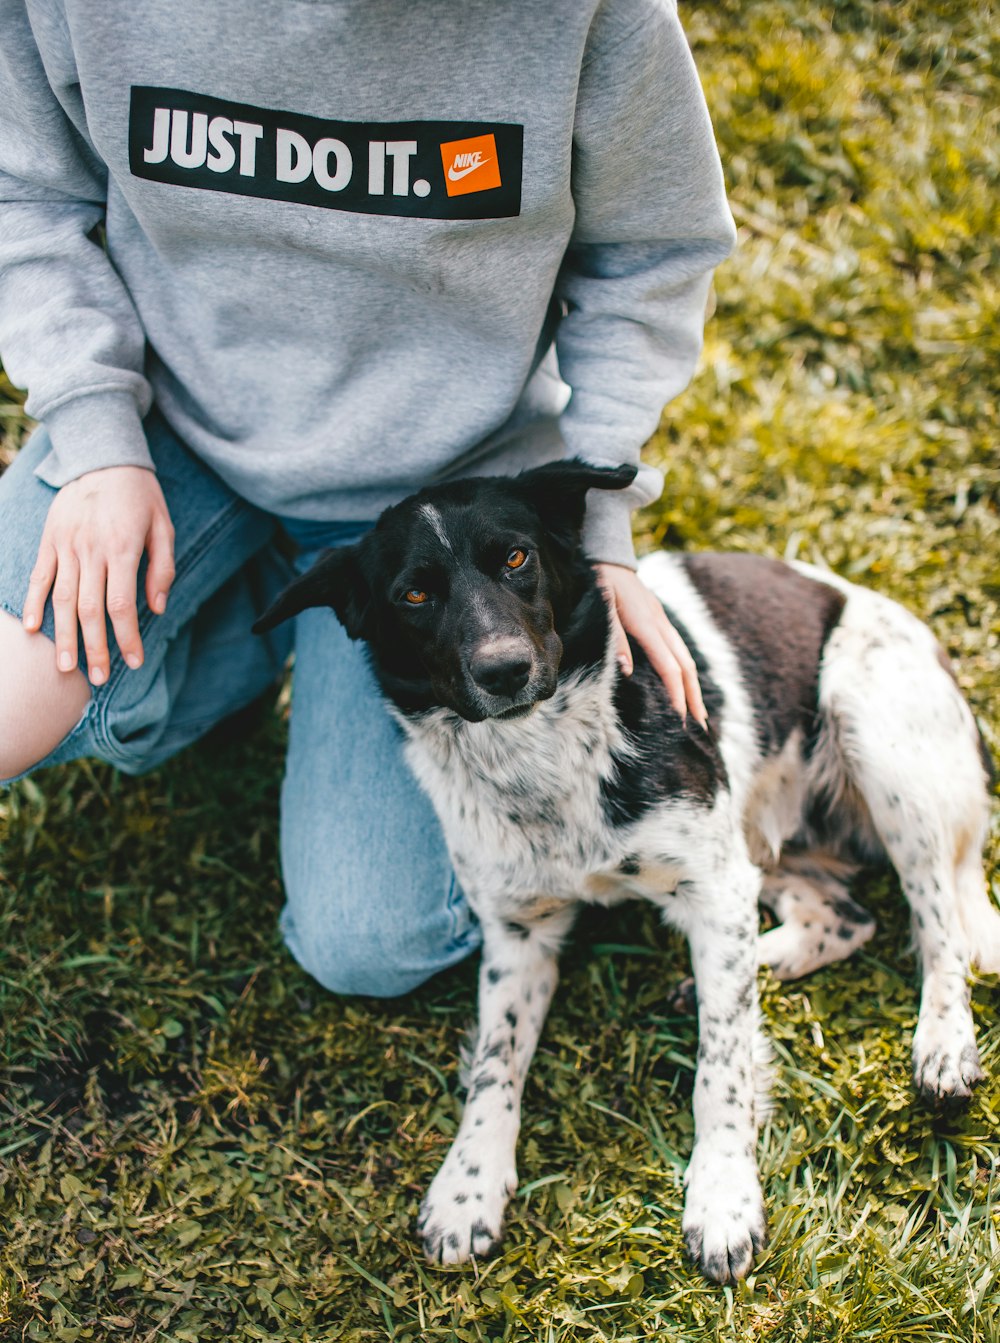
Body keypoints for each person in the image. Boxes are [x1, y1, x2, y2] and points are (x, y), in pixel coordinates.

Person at [0, 0, 736, 997]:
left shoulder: (592, 13)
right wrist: (95, 443)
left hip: (447, 502)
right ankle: (273, 618)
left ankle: (310, 616)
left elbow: (649, 257)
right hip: (173, 438)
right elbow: (22, 191)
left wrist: (597, 535)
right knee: (37, 712)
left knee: (369, 944)